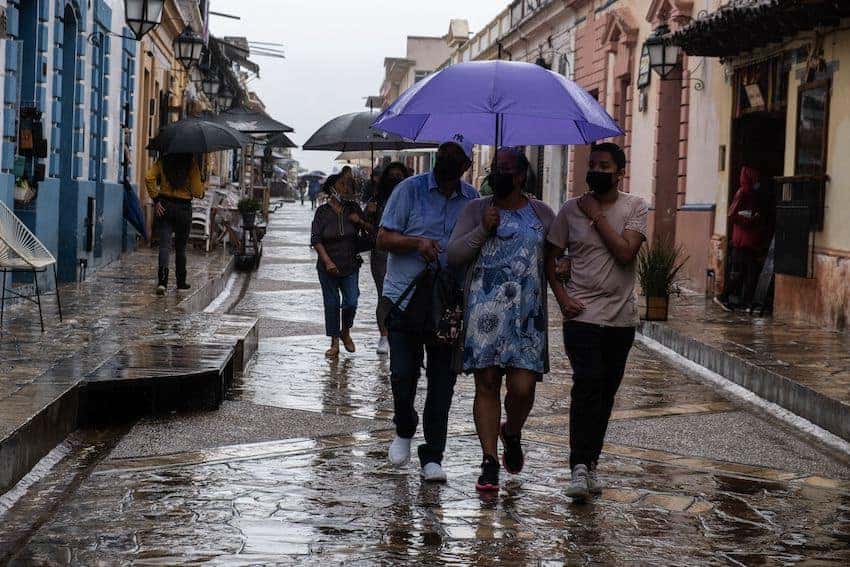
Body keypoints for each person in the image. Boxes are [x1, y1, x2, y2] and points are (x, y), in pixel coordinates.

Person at [447, 147, 555, 492]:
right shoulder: (477, 209)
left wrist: (565, 277)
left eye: (507, 168)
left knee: (523, 388)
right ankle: (489, 460)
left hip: (527, 314)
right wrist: (482, 229)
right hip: (485, 312)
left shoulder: (542, 213)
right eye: (496, 167)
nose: (499, 173)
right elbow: (453, 255)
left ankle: (511, 431)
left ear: (522, 175)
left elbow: (555, 258)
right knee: (488, 382)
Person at [545, 142, 648, 502]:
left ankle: (590, 463)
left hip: (620, 320)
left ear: (620, 172)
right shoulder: (569, 211)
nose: (597, 171)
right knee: (586, 384)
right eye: (593, 165)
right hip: (582, 317)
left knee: (605, 394)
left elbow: (625, 252)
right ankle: (578, 466)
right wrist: (561, 297)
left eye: (605, 165)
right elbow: (550, 256)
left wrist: (596, 217)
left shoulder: (635, 206)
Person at [377, 139, 478, 482]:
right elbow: (383, 238)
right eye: (445, 152)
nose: (448, 160)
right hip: (406, 297)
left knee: (442, 383)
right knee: (402, 374)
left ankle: (433, 454)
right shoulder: (409, 191)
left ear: (467, 163)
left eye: (456, 156)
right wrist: (417, 243)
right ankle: (404, 426)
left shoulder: (473, 201)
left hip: (448, 305)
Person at [311, 174, 372, 358]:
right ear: (332, 189)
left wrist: (360, 221)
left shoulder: (353, 209)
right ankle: (334, 342)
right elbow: (316, 239)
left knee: (351, 301)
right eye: (342, 185)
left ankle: (346, 331)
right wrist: (327, 261)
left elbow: (372, 231)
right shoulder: (322, 212)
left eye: (348, 185)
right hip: (327, 266)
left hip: (350, 265)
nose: (346, 189)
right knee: (331, 303)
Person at [364, 162, 411, 355]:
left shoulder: (411, 199)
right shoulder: (378, 199)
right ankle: (384, 335)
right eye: (391, 175)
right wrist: (368, 214)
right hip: (381, 254)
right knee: (384, 295)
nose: (395, 179)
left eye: (399, 175)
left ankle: (402, 333)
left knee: (405, 294)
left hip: (405, 253)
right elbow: (367, 227)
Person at [145, 153, 205, 295]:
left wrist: (156, 199)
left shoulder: (163, 160)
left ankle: (162, 282)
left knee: (164, 245)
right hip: (183, 209)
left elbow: (149, 178)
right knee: (181, 247)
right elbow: (197, 191)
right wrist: (199, 186)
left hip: (165, 205)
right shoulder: (191, 162)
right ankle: (181, 281)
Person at [715, 165, 767, 312]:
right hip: (743, 241)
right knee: (743, 272)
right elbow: (732, 214)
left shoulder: (752, 194)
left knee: (749, 272)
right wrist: (749, 220)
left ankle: (745, 302)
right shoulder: (743, 193)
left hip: (749, 241)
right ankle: (724, 296)